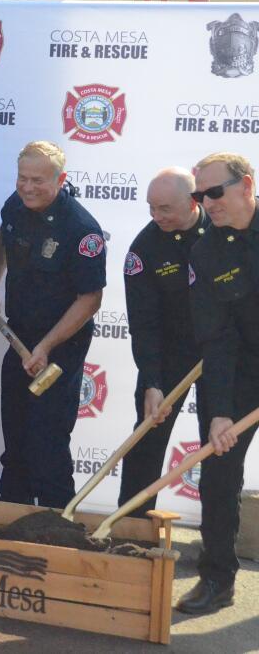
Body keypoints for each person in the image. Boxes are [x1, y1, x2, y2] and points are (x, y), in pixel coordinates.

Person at [0, 141, 106, 508]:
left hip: (60, 349)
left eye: (38, 180)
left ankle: (56, 530)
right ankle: (12, 518)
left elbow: (90, 300)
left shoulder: (82, 230)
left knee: (48, 443)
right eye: (22, 178)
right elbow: (2, 241)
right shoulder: (15, 205)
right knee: (16, 437)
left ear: (61, 179)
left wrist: (47, 346)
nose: (27, 187)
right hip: (20, 337)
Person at [182, 151, 259, 614]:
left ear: (246, 184)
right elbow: (217, 335)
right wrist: (221, 412)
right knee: (218, 473)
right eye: (200, 195)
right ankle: (217, 578)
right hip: (240, 371)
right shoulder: (206, 250)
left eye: (216, 192)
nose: (207, 203)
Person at [118, 168, 208, 516]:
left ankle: (215, 549)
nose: (157, 216)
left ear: (192, 201)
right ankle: (131, 529)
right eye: (151, 208)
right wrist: (153, 382)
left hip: (222, 349)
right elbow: (144, 324)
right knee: (146, 436)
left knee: (219, 442)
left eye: (165, 208)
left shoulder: (222, 229)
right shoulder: (144, 249)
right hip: (171, 351)